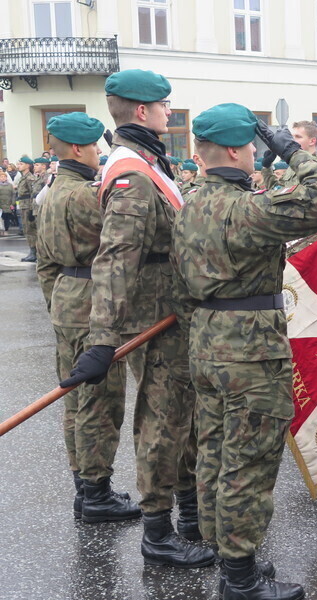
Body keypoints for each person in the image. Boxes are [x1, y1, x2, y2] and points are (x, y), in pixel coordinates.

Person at [172, 103, 317, 600]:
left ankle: (230, 555)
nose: (255, 152)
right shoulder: (246, 209)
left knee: (215, 452)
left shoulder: (191, 205)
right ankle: (240, 580)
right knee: (249, 461)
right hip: (251, 352)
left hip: (207, 342)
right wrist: (290, 149)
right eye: (252, 145)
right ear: (233, 149)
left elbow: (181, 289)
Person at [61, 69, 213, 567]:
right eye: (165, 106)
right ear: (143, 112)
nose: (171, 112)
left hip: (172, 312)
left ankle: (188, 516)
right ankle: (158, 532)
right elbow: (115, 258)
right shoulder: (132, 175)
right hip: (154, 318)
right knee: (162, 424)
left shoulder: (148, 163)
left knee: (181, 420)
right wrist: (101, 340)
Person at [35, 112, 137, 522]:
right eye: (96, 146)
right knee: (100, 402)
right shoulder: (86, 195)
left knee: (75, 400)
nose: (99, 152)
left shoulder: (52, 191)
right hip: (95, 300)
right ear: (79, 149)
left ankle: (84, 485)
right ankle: (97, 492)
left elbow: (45, 262)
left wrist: (57, 302)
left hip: (66, 297)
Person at [16, 156, 37, 259]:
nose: (18, 166)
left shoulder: (30, 178)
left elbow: (33, 193)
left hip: (28, 206)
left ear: (28, 165)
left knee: (30, 229)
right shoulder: (23, 177)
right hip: (23, 205)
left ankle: (34, 252)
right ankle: (32, 251)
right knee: (26, 229)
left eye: (21, 164)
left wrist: (32, 209)